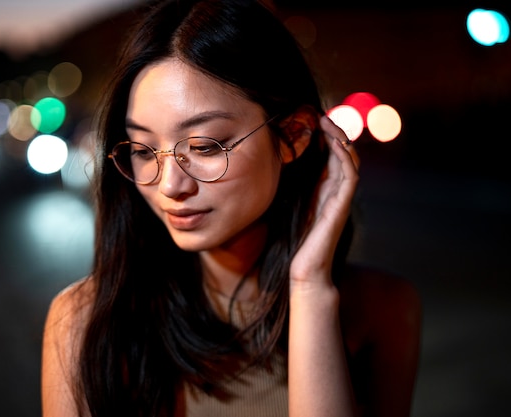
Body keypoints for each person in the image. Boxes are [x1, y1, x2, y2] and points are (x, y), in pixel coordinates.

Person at [41, 0, 422, 416]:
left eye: (204, 147)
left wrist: (311, 290)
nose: (170, 185)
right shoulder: (87, 322)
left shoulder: (383, 310)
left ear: (293, 135)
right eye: (144, 150)